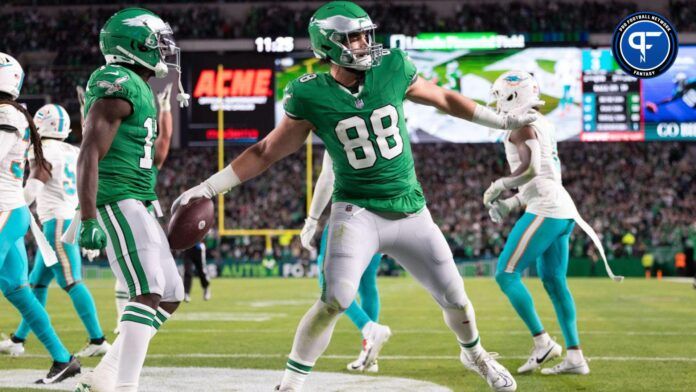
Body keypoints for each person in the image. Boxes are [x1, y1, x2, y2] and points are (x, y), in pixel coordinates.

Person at [174, 2, 538, 390]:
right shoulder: (310, 94)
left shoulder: (393, 67)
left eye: (366, 34)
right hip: (356, 212)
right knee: (335, 299)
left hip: (411, 209)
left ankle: (475, 354)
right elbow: (266, 151)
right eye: (353, 37)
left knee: (457, 299)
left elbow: (445, 99)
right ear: (328, 46)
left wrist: (501, 120)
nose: (365, 43)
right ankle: (290, 385)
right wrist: (210, 186)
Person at [73, 8, 189, 392]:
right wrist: (88, 216)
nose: (164, 50)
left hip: (139, 197)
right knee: (148, 290)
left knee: (171, 294)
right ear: (133, 45)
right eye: (156, 42)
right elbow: (89, 150)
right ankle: (126, 386)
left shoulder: (140, 87)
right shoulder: (116, 80)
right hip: (116, 197)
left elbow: (154, 151)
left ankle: (106, 373)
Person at [484, 71, 621, 376]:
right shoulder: (543, 123)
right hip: (560, 209)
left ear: (511, 96)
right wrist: (513, 203)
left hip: (546, 209)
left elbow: (531, 169)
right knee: (555, 283)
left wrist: (501, 185)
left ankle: (542, 341)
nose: (495, 103)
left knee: (506, 274)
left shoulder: (520, 126)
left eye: (499, 96)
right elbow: (545, 176)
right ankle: (575, 356)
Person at [0, 104, 109, 358]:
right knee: (36, 285)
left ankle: (98, 339)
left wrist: (12, 206)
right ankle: (18, 339)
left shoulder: (44, 150)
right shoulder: (73, 149)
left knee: (71, 282)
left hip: (56, 223)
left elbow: (32, 191)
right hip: (68, 218)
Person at [0, 52, 81, 384]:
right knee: (19, 291)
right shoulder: (10, 113)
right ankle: (64, 359)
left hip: (5, 211)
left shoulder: (7, 114)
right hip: (11, 210)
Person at [301, 152, 390, 372]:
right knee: (368, 284)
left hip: (350, 212)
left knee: (327, 282)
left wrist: (312, 220)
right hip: (383, 211)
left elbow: (327, 177)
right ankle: (370, 355)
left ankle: (368, 328)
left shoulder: (338, 122)